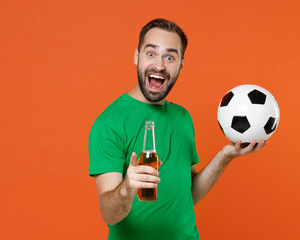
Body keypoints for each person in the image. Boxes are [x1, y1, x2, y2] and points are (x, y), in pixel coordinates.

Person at [88, 18, 266, 240]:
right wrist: (127, 188)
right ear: (136, 57)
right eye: (151, 53)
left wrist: (225, 156)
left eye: (170, 57)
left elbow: (188, 195)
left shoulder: (183, 118)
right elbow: (109, 214)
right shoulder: (109, 123)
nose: (160, 65)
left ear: (181, 64)